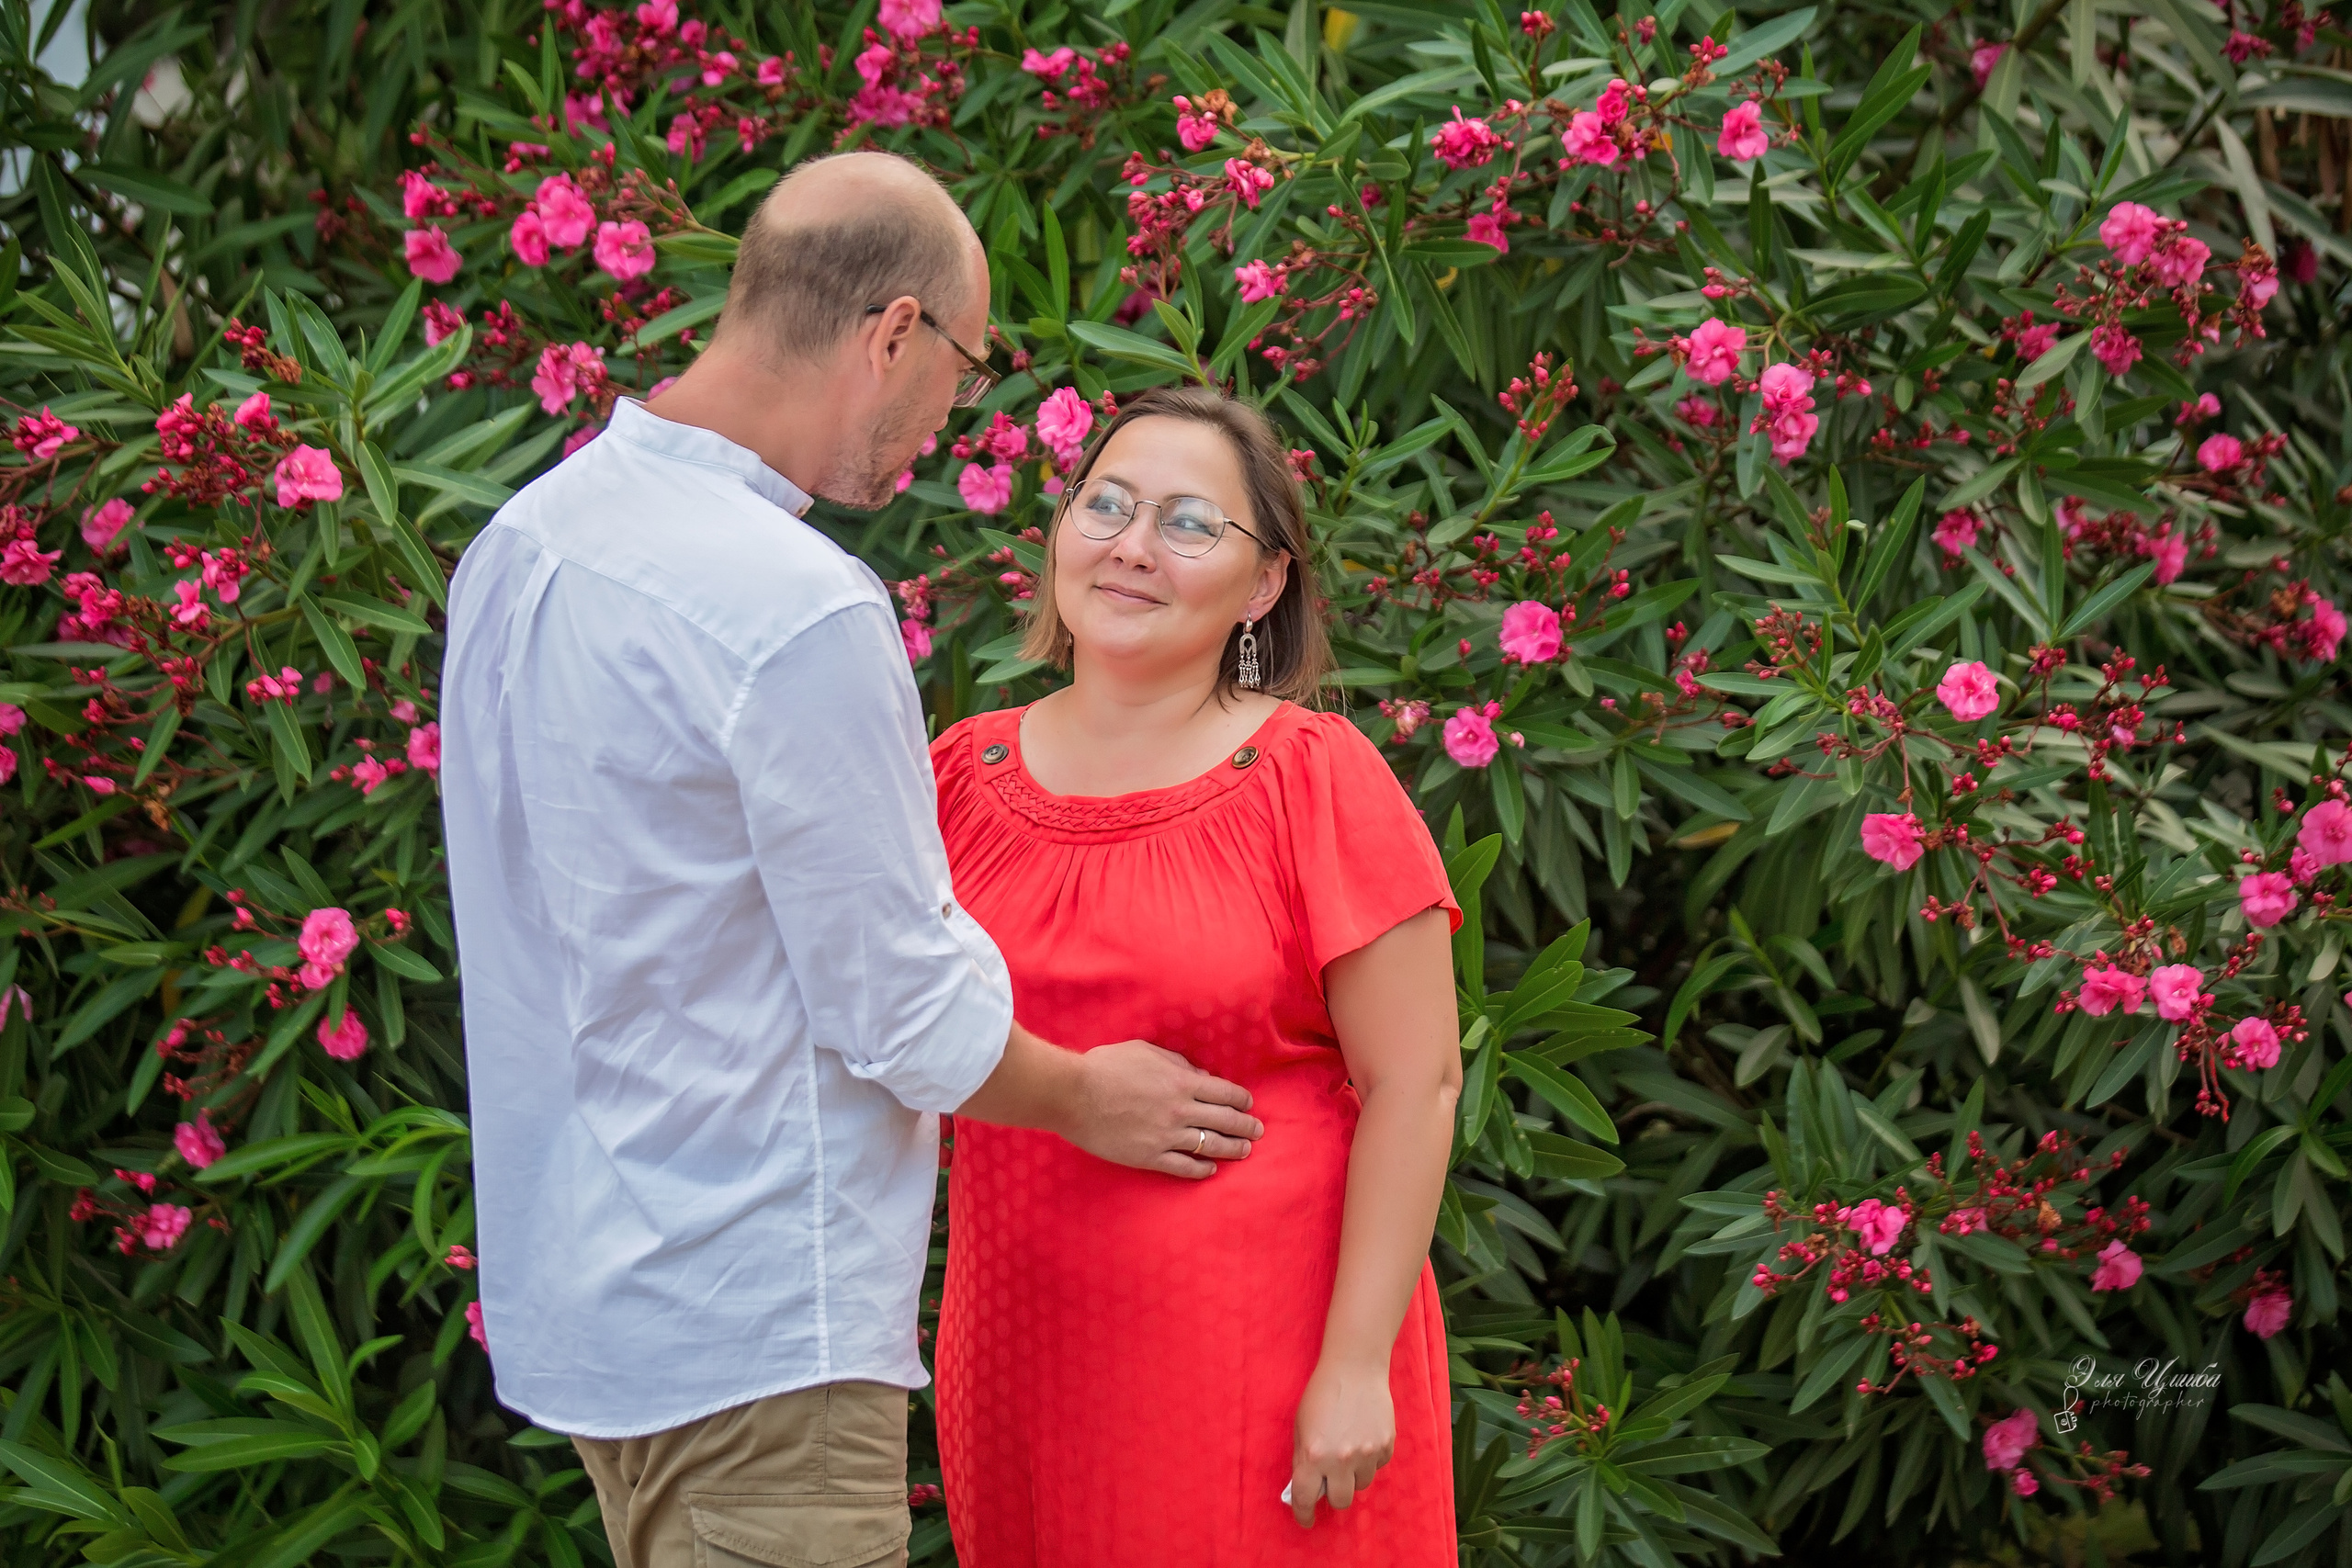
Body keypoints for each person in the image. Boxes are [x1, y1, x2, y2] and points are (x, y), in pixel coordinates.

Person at [438, 153, 1265, 1568]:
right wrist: (1085, 1093)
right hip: (762, 1318)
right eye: (965, 366)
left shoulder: (529, 541)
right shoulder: (796, 606)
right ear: (894, 332)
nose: (952, 420)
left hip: (591, 1295)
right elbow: (898, 1005)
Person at [930, 385, 1464, 1565]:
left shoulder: (1313, 775)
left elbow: (1417, 1085)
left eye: (1185, 523)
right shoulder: (955, 777)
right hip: (1020, 1346)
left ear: (1263, 583)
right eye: (1104, 504)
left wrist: (1352, 1367)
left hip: (1262, 1355)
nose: (1129, 547)